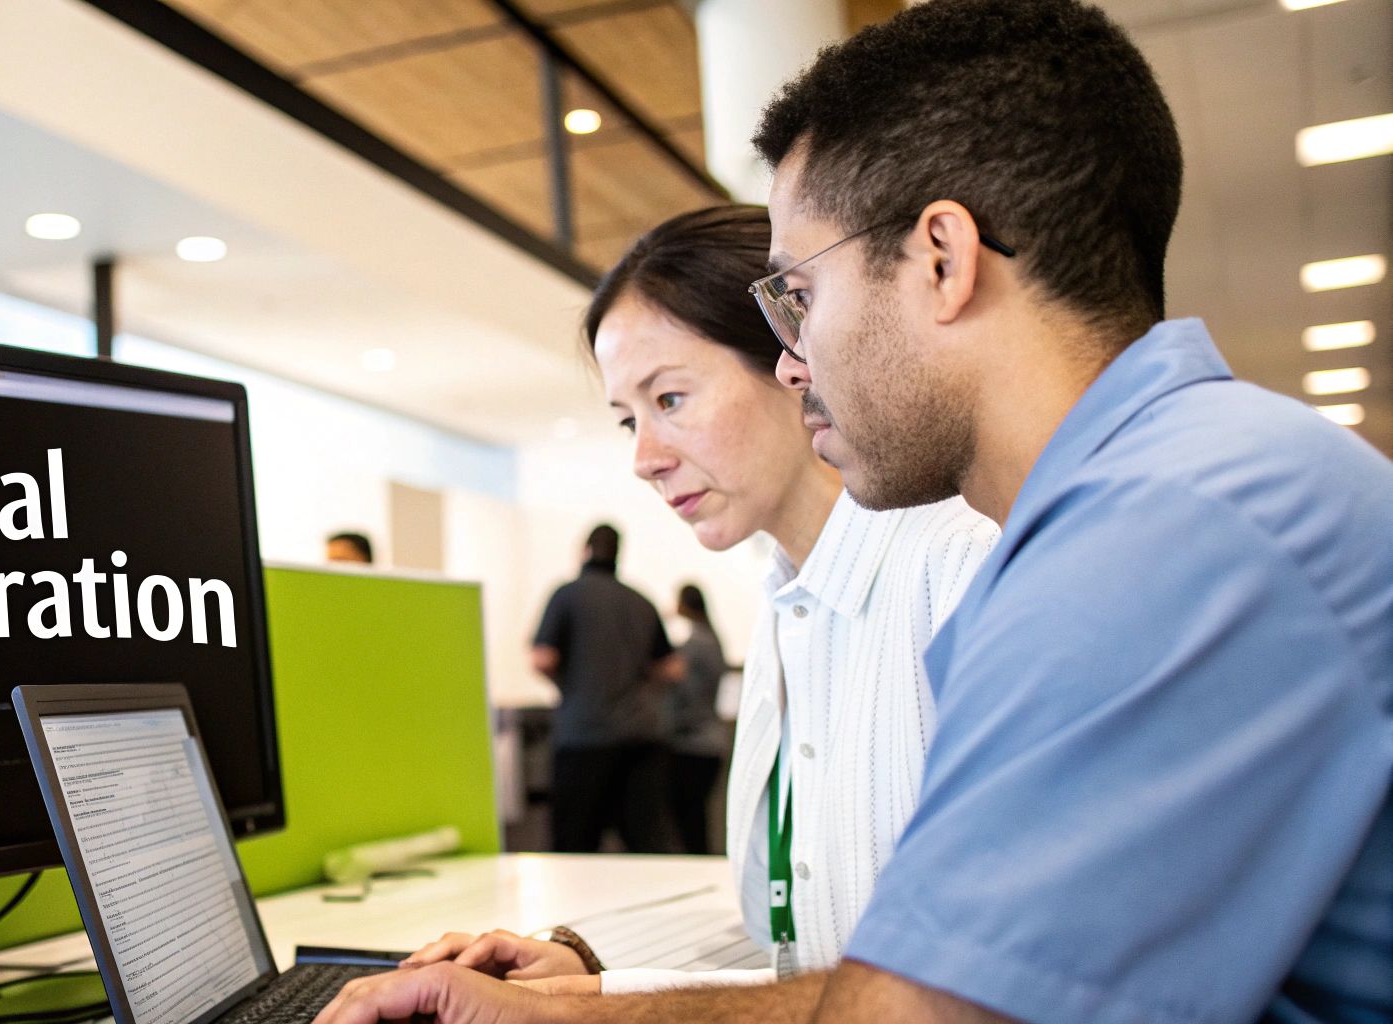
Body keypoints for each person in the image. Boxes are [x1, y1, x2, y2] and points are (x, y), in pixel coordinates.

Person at [316, 0, 1393, 1021]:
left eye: (798, 294)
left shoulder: (1166, 528)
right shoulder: (1146, 498)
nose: (795, 360)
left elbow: (934, 1009)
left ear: (939, 259)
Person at [402, 205, 996, 993]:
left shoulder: (962, 567)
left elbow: (977, 980)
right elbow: (796, 937)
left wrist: (599, 1005)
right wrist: (585, 963)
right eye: (628, 420)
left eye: (671, 399)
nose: (645, 458)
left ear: (793, 358)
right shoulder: (790, 607)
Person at [530, 524, 681, 854]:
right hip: (640, 738)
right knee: (646, 846)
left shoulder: (566, 595)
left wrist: (569, 683)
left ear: (584, 550)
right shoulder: (641, 601)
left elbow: (542, 658)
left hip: (584, 736)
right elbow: (672, 667)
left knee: (576, 847)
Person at [665, 584, 725, 856]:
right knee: (695, 819)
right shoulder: (713, 640)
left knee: (689, 823)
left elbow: (684, 695)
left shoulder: (695, 646)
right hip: (711, 741)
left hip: (692, 743)